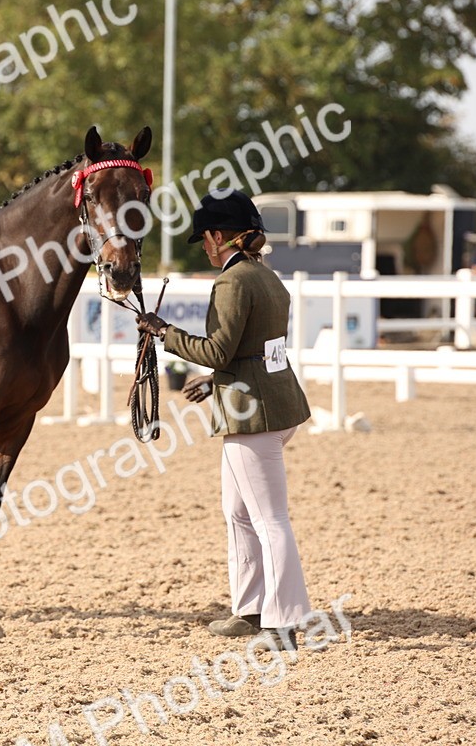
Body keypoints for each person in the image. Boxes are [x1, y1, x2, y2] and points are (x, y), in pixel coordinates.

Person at [136, 189, 313, 650]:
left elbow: (218, 348)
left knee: (270, 518)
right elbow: (251, 348)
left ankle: (283, 622)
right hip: (272, 399)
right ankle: (250, 608)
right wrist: (215, 379)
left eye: (206, 240)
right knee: (237, 512)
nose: (206, 249)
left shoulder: (232, 282)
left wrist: (164, 333)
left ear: (219, 236)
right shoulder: (265, 275)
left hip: (252, 414)